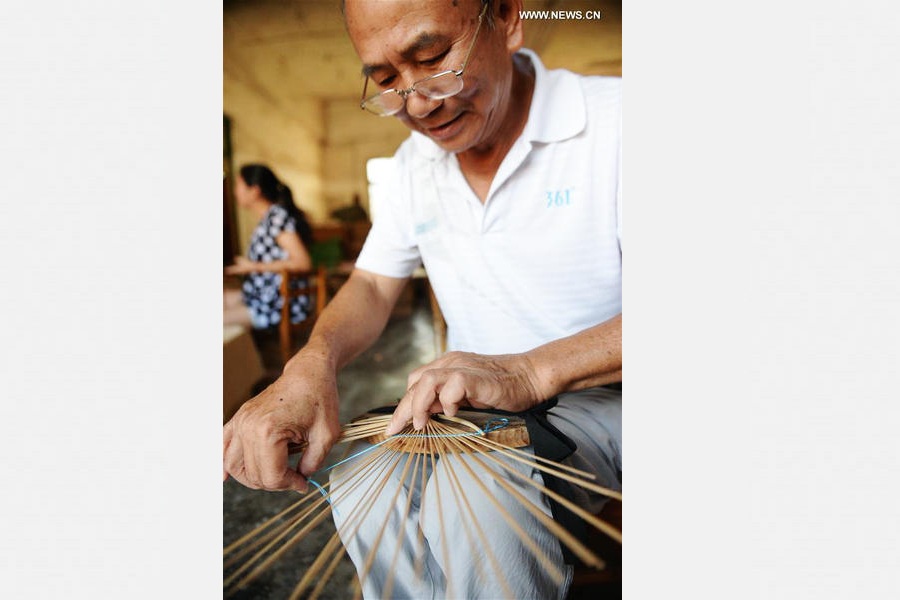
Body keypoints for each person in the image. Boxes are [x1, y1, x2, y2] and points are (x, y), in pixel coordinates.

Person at [223, 1, 621, 598]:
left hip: (608, 400)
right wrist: (310, 365)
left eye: (433, 58)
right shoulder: (415, 165)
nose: (415, 102)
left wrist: (530, 370)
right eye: (385, 79)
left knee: (477, 495)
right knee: (364, 484)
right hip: (475, 410)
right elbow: (372, 285)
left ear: (509, 19)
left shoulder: (618, 123)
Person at [223, 164, 315, 330]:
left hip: (276, 304)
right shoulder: (268, 219)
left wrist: (253, 267)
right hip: (259, 296)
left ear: (254, 191)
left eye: (238, 185)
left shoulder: (276, 218)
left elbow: (303, 263)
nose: (235, 191)